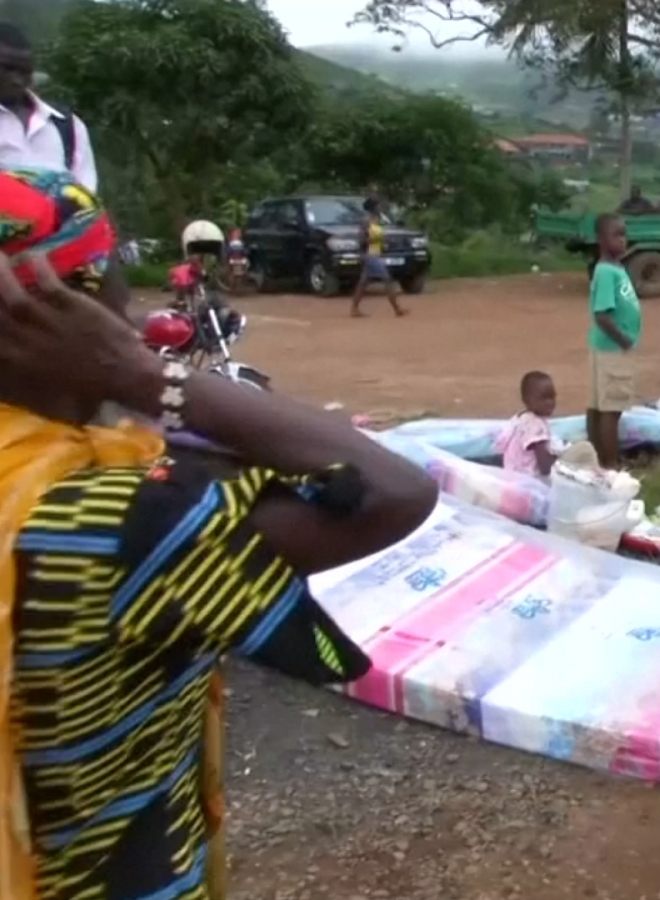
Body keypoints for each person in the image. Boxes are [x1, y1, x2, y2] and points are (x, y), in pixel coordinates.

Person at [0, 168, 438, 898]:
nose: (137, 315)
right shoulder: (115, 523)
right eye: (119, 294)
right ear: (62, 324)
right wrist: (143, 377)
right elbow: (392, 491)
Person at [0, 24, 96, 191]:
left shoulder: (68, 126)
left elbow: (84, 202)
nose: (17, 80)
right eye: (8, 69)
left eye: (25, 71)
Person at [587, 213, 641, 470]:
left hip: (607, 348)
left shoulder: (614, 268)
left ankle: (597, 460)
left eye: (624, 234)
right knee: (611, 409)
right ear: (600, 239)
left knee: (600, 406)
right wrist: (625, 341)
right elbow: (602, 315)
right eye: (615, 235)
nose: (622, 240)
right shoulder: (607, 271)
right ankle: (610, 464)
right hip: (613, 348)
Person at [495, 370, 565, 478]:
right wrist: (564, 461)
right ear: (526, 400)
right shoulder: (535, 425)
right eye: (543, 398)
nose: (549, 402)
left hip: (511, 476)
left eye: (552, 397)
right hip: (528, 481)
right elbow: (545, 468)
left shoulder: (520, 418)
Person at [350, 197, 405, 318]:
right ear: (373, 207)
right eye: (378, 205)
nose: (380, 207)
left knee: (363, 283)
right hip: (369, 255)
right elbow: (362, 240)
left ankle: (354, 309)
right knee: (387, 280)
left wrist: (383, 243)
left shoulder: (377, 220)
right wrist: (377, 239)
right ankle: (397, 309)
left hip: (375, 253)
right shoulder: (366, 221)